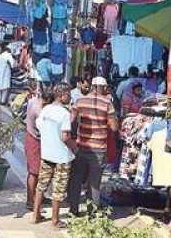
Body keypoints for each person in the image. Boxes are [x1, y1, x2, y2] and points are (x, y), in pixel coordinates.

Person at [68, 76, 118, 215]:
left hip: (81, 147)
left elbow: (71, 121)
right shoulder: (107, 103)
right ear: (103, 88)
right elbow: (114, 127)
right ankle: (92, 214)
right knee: (94, 183)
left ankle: (73, 211)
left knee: (76, 180)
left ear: (92, 86)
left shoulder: (80, 101)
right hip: (99, 149)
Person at [32, 84, 77, 229]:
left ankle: (35, 215)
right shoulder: (64, 113)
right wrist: (75, 147)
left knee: (41, 186)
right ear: (61, 95)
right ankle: (55, 220)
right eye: (68, 94)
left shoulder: (46, 110)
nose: (70, 97)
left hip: (47, 154)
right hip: (62, 157)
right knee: (59, 189)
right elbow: (65, 136)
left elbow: (39, 125)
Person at [24, 85, 46, 211]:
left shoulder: (32, 101)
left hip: (33, 138)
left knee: (37, 171)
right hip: (34, 140)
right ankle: (31, 201)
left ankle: (36, 198)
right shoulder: (39, 108)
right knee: (34, 172)